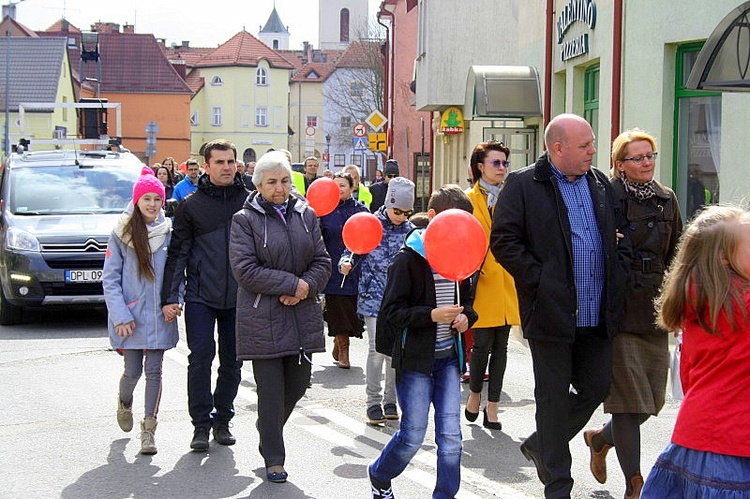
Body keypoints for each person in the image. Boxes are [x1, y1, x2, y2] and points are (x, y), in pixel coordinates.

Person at [491, 113, 630, 498]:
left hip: (596, 313)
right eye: (585, 145)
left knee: (596, 386)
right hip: (550, 313)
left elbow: (618, 237)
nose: (593, 151)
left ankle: (541, 444)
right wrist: (541, 280)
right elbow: (503, 241)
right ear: (558, 148)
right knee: (551, 399)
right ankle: (558, 483)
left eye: (591, 144)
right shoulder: (523, 184)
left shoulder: (601, 183)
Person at [582, 129, 682, 498]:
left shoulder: (666, 199)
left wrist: (678, 303)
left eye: (650, 155)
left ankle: (599, 439)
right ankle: (634, 483)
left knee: (650, 402)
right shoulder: (607, 196)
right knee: (626, 403)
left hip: (655, 311)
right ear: (619, 164)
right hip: (620, 311)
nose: (646, 163)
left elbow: (676, 256)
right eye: (636, 157)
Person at [369, 185, 478, 499]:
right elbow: (391, 311)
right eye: (452, 222)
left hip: (447, 361)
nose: (459, 231)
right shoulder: (409, 259)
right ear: (432, 218)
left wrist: (466, 317)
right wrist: (431, 315)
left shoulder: (463, 258)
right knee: (412, 435)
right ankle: (379, 475)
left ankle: (445, 495)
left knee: (451, 438)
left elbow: (469, 303)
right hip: (416, 362)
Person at [230, 150, 331, 483]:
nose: (280, 188)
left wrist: (304, 287)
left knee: (299, 385)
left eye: (285, 180)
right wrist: (292, 283)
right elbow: (245, 271)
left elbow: (323, 261)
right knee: (270, 392)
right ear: (258, 184)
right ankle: (274, 457)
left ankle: (267, 426)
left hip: (301, 314)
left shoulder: (306, 215)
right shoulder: (245, 220)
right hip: (263, 317)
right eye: (272, 182)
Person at [641, 205, 750, 498]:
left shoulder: (704, 303)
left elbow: (688, 375)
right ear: (724, 258)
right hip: (733, 444)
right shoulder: (742, 305)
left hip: (697, 434)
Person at [161, 139, 248, 452]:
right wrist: (171, 296)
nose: (226, 167)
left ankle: (223, 419)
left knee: (232, 362)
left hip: (239, 297)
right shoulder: (191, 205)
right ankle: (201, 424)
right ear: (206, 166)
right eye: (220, 162)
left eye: (230, 161)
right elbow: (178, 253)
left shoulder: (249, 201)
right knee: (200, 358)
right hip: (200, 294)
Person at [103, 167, 178, 455]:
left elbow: (175, 272)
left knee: (155, 372)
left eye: (157, 199)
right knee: (132, 371)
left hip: (159, 315)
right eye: (146, 199)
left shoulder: (168, 232)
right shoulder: (121, 234)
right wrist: (121, 315)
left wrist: (175, 300)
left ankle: (149, 429)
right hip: (131, 317)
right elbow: (110, 279)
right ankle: (124, 401)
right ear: (137, 201)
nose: (152, 204)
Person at [341, 177, 415, 425]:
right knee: (376, 350)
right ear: (388, 203)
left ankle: (390, 400)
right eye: (398, 211)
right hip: (373, 298)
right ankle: (373, 402)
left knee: (395, 353)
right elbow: (351, 248)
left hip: (399, 301)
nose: (401, 216)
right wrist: (346, 263)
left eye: (407, 212)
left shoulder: (410, 231)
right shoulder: (371, 224)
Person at [464, 141, 520, 430]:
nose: (501, 168)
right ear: (480, 166)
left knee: (502, 347)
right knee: (481, 346)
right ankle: (474, 395)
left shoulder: (512, 197)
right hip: (481, 281)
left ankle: (493, 406)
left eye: (505, 163)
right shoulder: (468, 199)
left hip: (508, 280)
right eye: (496, 163)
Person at [320, 172, 369, 369]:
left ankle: (339, 342)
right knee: (337, 308)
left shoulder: (361, 210)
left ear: (352, 187)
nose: (338, 189)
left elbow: (368, 238)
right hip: (331, 267)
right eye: (335, 185)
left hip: (355, 267)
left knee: (350, 310)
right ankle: (344, 352)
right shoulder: (324, 210)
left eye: (342, 185)